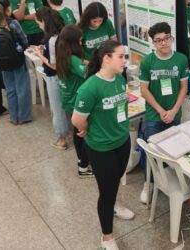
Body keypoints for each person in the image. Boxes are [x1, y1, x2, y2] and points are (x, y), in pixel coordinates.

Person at [72, 40, 134, 250]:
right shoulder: (89, 88)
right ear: (107, 58)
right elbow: (77, 120)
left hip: (122, 141)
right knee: (106, 193)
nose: (125, 61)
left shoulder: (119, 78)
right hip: (101, 147)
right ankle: (107, 237)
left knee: (114, 182)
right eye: (121, 56)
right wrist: (88, 129)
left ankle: (114, 206)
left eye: (125, 56)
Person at [139, 22, 189, 203]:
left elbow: (184, 87)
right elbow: (144, 90)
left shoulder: (181, 59)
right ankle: (148, 184)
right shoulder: (147, 62)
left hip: (174, 114)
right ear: (153, 43)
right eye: (159, 40)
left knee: (173, 149)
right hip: (154, 115)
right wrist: (161, 111)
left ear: (171, 38)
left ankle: (169, 180)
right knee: (151, 151)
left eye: (167, 38)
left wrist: (174, 109)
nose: (164, 43)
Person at [56, 25, 93, 177]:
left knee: (77, 132)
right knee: (84, 133)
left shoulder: (62, 53)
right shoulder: (72, 59)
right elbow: (87, 74)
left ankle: (80, 161)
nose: (81, 41)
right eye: (79, 40)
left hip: (68, 99)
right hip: (76, 100)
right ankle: (84, 167)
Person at [0, 0, 32, 125]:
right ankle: (24, 117)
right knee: (22, 88)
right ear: (8, 9)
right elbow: (25, 42)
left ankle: (13, 117)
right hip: (17, 60)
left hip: (2, 62)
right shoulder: (13, 24)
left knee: (10, 89)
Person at [34, 7, 71, 149]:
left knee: (58, 109)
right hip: (66, 76)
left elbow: (54, 65)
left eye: (39, 23)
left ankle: (61, 139)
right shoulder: (63, 34)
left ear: (43, 21)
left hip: (55, 77)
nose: (39, 25)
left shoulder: (52, 40)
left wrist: (39, 54)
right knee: (66, 106)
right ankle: (69, 131)